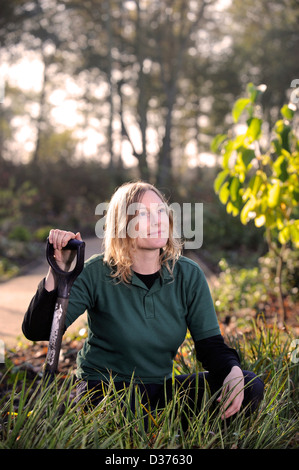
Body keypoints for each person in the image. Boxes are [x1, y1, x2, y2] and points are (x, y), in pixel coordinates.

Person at [22, 181, 264, 426]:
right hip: (104, 393)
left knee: (248, 385)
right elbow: (39, 331)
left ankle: (194, 437)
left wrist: (232, 372)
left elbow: (210, 346)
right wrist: (58, 271)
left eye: (160, 212)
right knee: (128, 427)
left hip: (160, 392)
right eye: (143, 214)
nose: (157, 221)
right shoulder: (97, 272)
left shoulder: (187, 274)